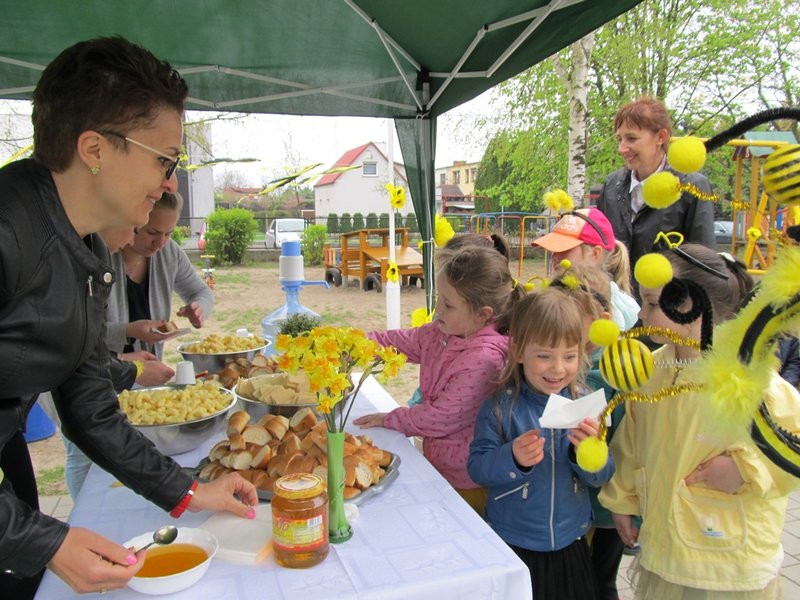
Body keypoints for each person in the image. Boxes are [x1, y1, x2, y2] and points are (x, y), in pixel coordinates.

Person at [0, 36, 256, 598]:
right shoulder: (8, 232)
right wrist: (39, 540)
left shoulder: (89, 254)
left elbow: (90, 406)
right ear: (94, 148)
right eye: (164, 160)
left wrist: (188, 495)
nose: (170, 183)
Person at [599, 244, 800, 598]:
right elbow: (630, 441)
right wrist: (622, 501)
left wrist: (746, 468)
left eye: (650, 303)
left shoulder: (747, 375)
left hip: (730, 563)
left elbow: (793, 441)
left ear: (689, 306)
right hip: (668, 549)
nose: (641, 315)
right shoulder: (652, 370)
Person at [467, 287, 615, 600]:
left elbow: (602, 477)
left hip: (570, 544)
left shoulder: (585, 405)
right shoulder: (499, 408)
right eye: (544, 356)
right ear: (519, 352)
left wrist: (587, 455)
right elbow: (477, 468)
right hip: (514, 542)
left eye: (569, 356)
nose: (558, 368)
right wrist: (512, 459)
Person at [354, 245, 523, 515]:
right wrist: (353, 344)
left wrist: (392, 418)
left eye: (448, 304)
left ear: (483, 314)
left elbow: (440, 417)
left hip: (468, 479)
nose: (438, 309)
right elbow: (398, 343)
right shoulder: (442, 332)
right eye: (439, 298)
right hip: (441, 464)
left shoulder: (484, 360)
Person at [597, 96, 715, 287]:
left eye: (631, 138)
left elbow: (704, 262)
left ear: (661, 137)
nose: (622, 148)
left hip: (666, 307)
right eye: (620, 139)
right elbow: (599, 247)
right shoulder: (612, 185)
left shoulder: (691, 187)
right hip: (616, 307)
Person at [107, 190, 213, 359]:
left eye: (168, 234)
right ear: (133, 221)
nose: (160, 243)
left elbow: (202, 293)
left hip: (149, 375)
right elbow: (77, 333)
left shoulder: (169, 253)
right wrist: (127, 331)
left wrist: (199, 309)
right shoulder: (99, 254)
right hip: (102, 377)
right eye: (152, 232)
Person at [533, 207, 640, 329]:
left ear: (595, 254)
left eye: (564, 249)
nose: (554, 256)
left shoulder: (609, 310)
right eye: (553, 248)